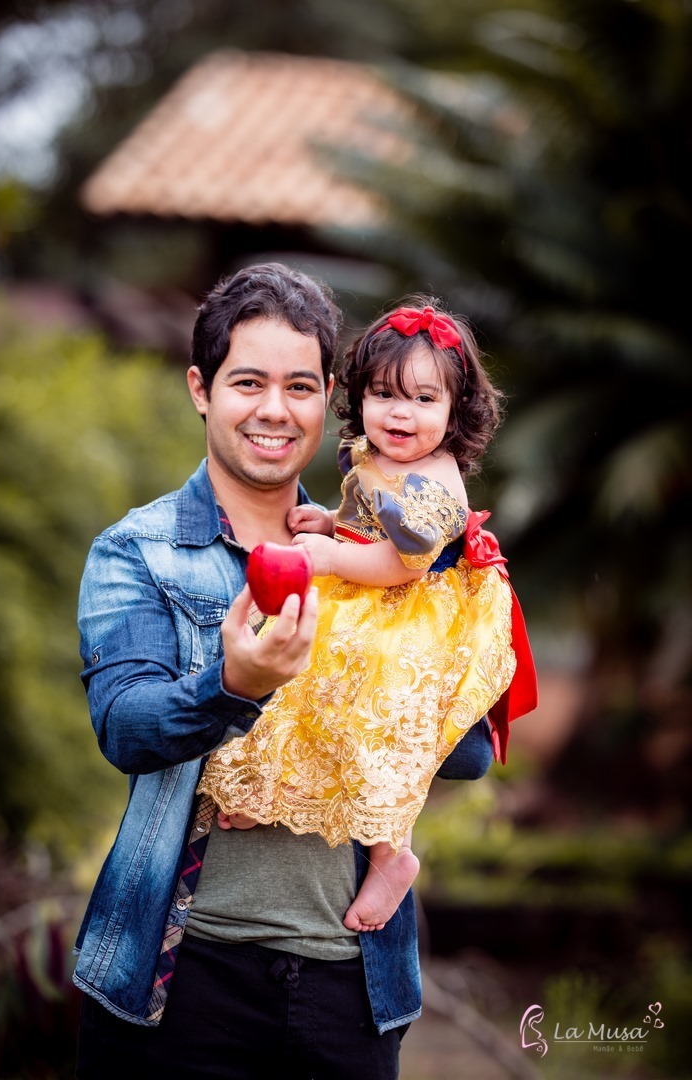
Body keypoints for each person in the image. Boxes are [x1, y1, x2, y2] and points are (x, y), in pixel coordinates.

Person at [73, 262, 498, 1080]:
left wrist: (447, 619)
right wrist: (235, 684)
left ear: (329, 394)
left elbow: (471, 750)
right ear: (201, 389)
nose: (275, 409)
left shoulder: (393, 542)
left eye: (300, 385)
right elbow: (126, 728)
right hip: (177, 980)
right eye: (247, 382)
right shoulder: (137, 552)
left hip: (350, 984)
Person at [198, 297, 538, 934]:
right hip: (372, 588)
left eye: (422, 399)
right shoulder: (378, 456)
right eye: (383, 394)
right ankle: (265, 788)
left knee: (382, 709)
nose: (399, 413)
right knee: (301, 678)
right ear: (356, 397)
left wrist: (329, 555)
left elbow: (408, 562)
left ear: (455, 412)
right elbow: (368, 517)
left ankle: (390, 854)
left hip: (417, 611)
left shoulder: (436, 477)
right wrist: (331, 522)